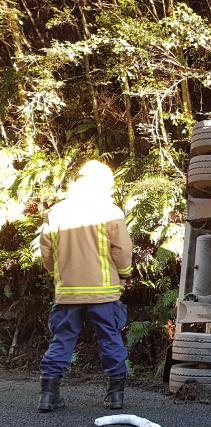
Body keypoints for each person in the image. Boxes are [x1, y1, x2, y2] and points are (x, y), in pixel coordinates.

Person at [37, 160, 133, 412]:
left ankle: (48, 395)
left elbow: (46, 252)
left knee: (62, 339)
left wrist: (57, 275)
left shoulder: (57, 212)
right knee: (110, 338)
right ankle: (115, 396)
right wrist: (124, 274)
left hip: (67, 290)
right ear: (104, 184)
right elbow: (122, 250)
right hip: (104, 292)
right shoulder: (110, 211)